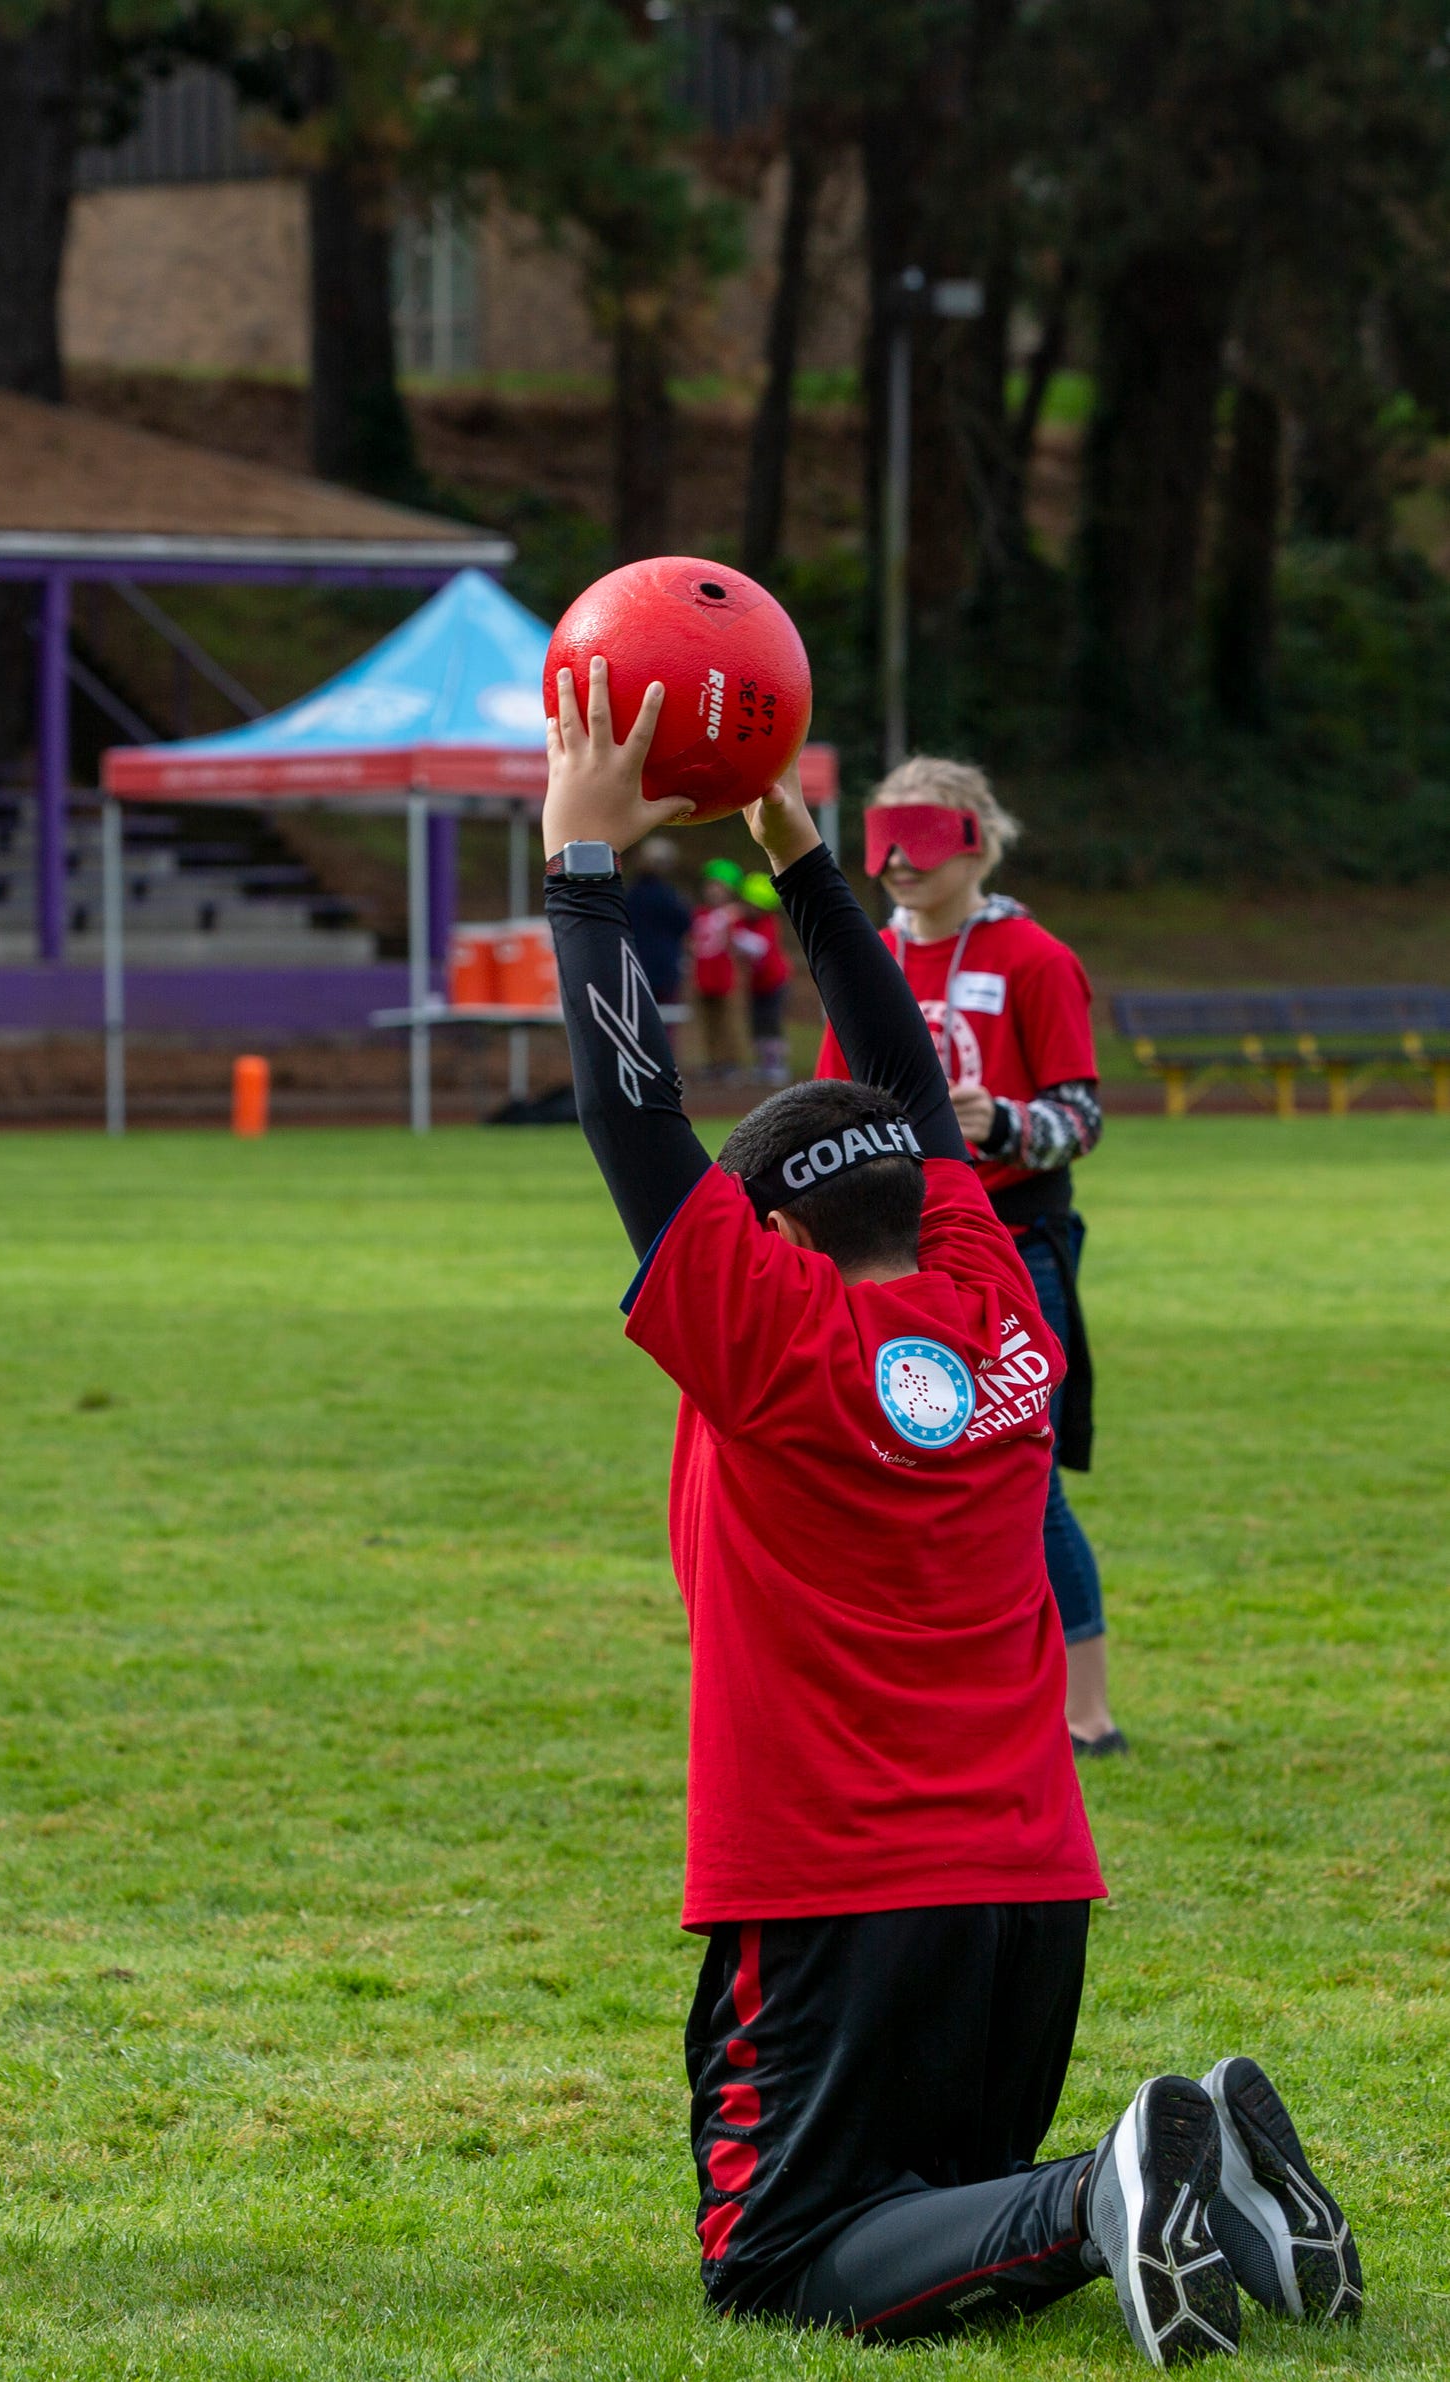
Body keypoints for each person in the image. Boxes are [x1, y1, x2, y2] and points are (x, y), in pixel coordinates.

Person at [540, 654, 1362, 2366]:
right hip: (1026, 1890)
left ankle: (1103, 2186)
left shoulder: (765, 1341)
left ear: (758, 1238)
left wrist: (581, 866)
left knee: (777, 2256)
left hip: (838, 1890)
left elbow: (633, 1108)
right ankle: (1200, 2150)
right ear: (928, 1193)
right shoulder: (994, 1299)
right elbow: (913, 1093)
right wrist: (805, 861)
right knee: (943, 2209)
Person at [817, 755, 1123, 1756]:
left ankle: (1084, 1710)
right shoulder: (861, 962)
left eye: (922, 834)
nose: (897, 858)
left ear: (976, 839)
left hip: (1013, 1240)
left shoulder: (1033, 957)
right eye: (880, 838)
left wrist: (1003, 1128)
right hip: (890, 1254)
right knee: (889, 1461)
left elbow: (1081, 1117)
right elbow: (826, 1106)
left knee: (1023, 1473)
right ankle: (951, 1687)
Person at [732, 871, 792, 1085]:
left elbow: (759, 947)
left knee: (771, 1023)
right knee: (757, 1023)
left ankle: (775, 1064)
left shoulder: (769, 923)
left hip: (774, 982)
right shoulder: (742, 922)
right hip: (756, 984)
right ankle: (763, 1063)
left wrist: (736, 938)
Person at [690, 857, 742, 1078]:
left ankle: (730, 1062)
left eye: (719, 887)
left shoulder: (734, 914)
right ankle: (712, 1061)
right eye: (711, 886)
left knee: (728, 1022)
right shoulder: (699, 913)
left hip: (725, 976)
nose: (714, 892)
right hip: (703, 975)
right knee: (708, 1023)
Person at [625, 835, 692, 1006]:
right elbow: (684, 923)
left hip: (635, 966)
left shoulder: (631, 895)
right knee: (664, 1021)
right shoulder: (668, 897)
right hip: (663, 969)